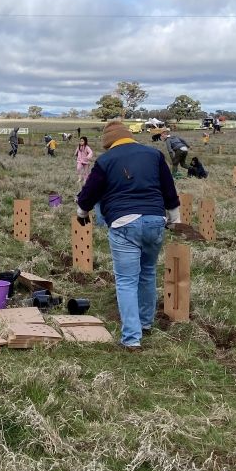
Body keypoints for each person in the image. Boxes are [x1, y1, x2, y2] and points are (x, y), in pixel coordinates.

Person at [76, 122, 180, 350]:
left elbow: (90, 192)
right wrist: (175, 218)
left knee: (126, 280)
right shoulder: (154, 155)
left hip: (124, 223)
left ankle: (132, 339)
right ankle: (145, 323)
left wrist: (82, 212)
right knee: (148, 272)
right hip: (154, 220)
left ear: (109, 142)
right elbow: (169, 188)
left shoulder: (106, 160)